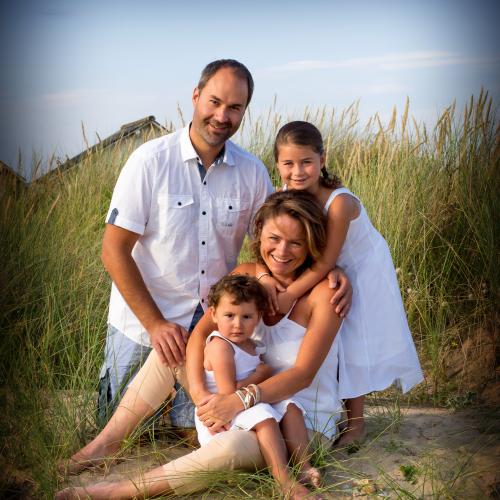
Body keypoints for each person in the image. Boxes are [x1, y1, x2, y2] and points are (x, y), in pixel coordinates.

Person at [56, 190, 348, 499]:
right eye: (274, 238)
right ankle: (104, 445)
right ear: (260, 231)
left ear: (312, 244)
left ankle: (118, 492)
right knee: (172, 347)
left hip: (299, 422)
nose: (282, 251)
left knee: (233, 447)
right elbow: (199, 335)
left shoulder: (324, 294)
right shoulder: (248, 275)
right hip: (237, 403)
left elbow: (303, 374)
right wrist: (200, 394)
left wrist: (238, 401)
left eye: (296, 242)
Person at [97, 59, 275, 427]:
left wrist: (325, 274)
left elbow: (272, 249)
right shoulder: (149, 161)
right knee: (117, 429)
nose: (222, 115)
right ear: (195, 97)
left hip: (212, 328)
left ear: (244, 111)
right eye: (214, 102)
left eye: (235, 107)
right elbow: (113, 250)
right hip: (144, 322)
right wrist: (155, 324)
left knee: (198, 430)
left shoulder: (253, 172)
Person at [257, 121, 424, 448]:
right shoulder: (283, 196)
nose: (298, 171)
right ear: (277, 164)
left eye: (306, 162)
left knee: (352, 339)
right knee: (330, 339)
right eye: (288, 163)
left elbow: (325, 260)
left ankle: (356, 423)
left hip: (361, 269)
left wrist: (290, 292)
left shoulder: (339, 202)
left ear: (322, 158)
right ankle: (324, 406)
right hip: (327, 267)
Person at [196, 274, 321, 496]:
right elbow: (228, 395)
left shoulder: (250, 344)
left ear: (258, 317)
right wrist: (260, 375)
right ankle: (284, 481)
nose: (237, 324)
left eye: (247, 316)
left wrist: (259, 377)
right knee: (264, 416)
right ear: (213, 314)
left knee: (290, 406)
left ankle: (303, 466)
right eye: (229, 315)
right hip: (221, 418)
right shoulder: (220, 347)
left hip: (242, 406)